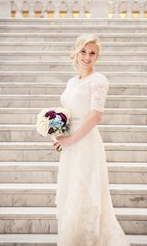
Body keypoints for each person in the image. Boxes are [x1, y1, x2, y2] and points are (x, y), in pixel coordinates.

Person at [53, 34, 130, 246]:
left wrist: (72, 140)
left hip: (86, 143)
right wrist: (60, 134)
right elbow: (69, 112)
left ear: (97, 56)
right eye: (84, 52)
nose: (87, 57)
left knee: (85, 192)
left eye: (92, 53)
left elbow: (96, 116)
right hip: (70, 144)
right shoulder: (71, 82)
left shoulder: (99, 81)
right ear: (76, 53)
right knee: (71, 191)